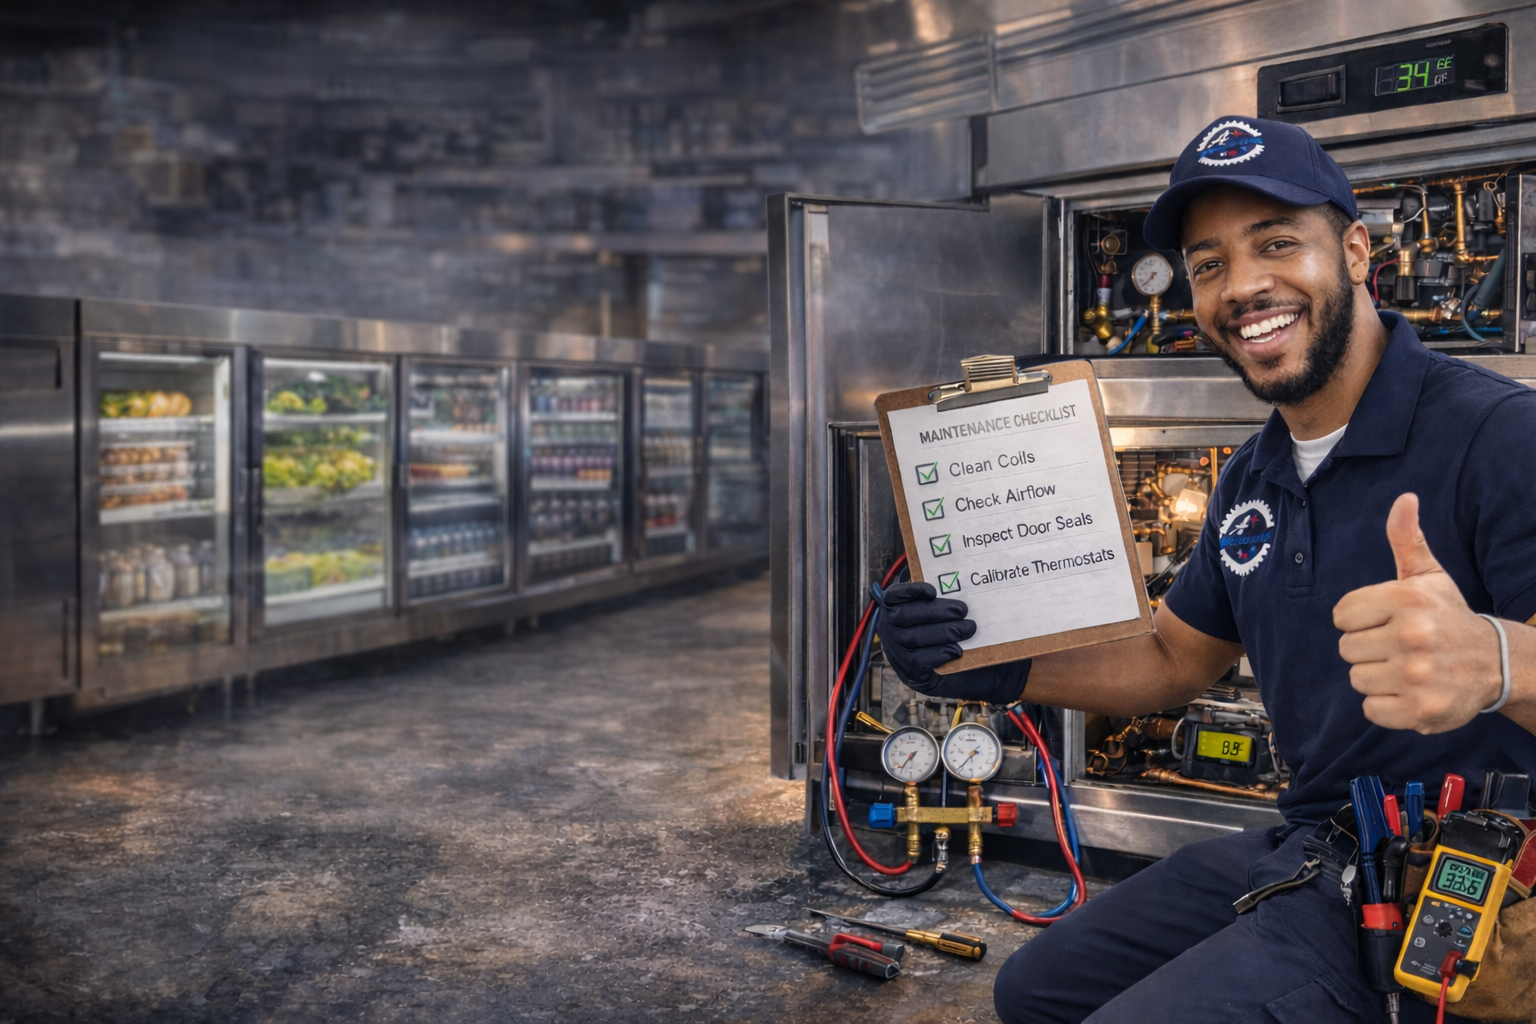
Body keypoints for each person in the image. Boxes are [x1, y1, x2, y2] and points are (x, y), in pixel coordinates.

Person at [875, 115, 1536, 1023]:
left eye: (1276, 243)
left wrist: (1497, 662)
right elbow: (1171, 661)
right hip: (1320, 843)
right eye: (1209, 263)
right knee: (1036, 992)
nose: (1244, 286)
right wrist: (996, 667)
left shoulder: (1501, 434)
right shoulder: (1252, 476)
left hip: (1474, 881)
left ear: (1353, 251)